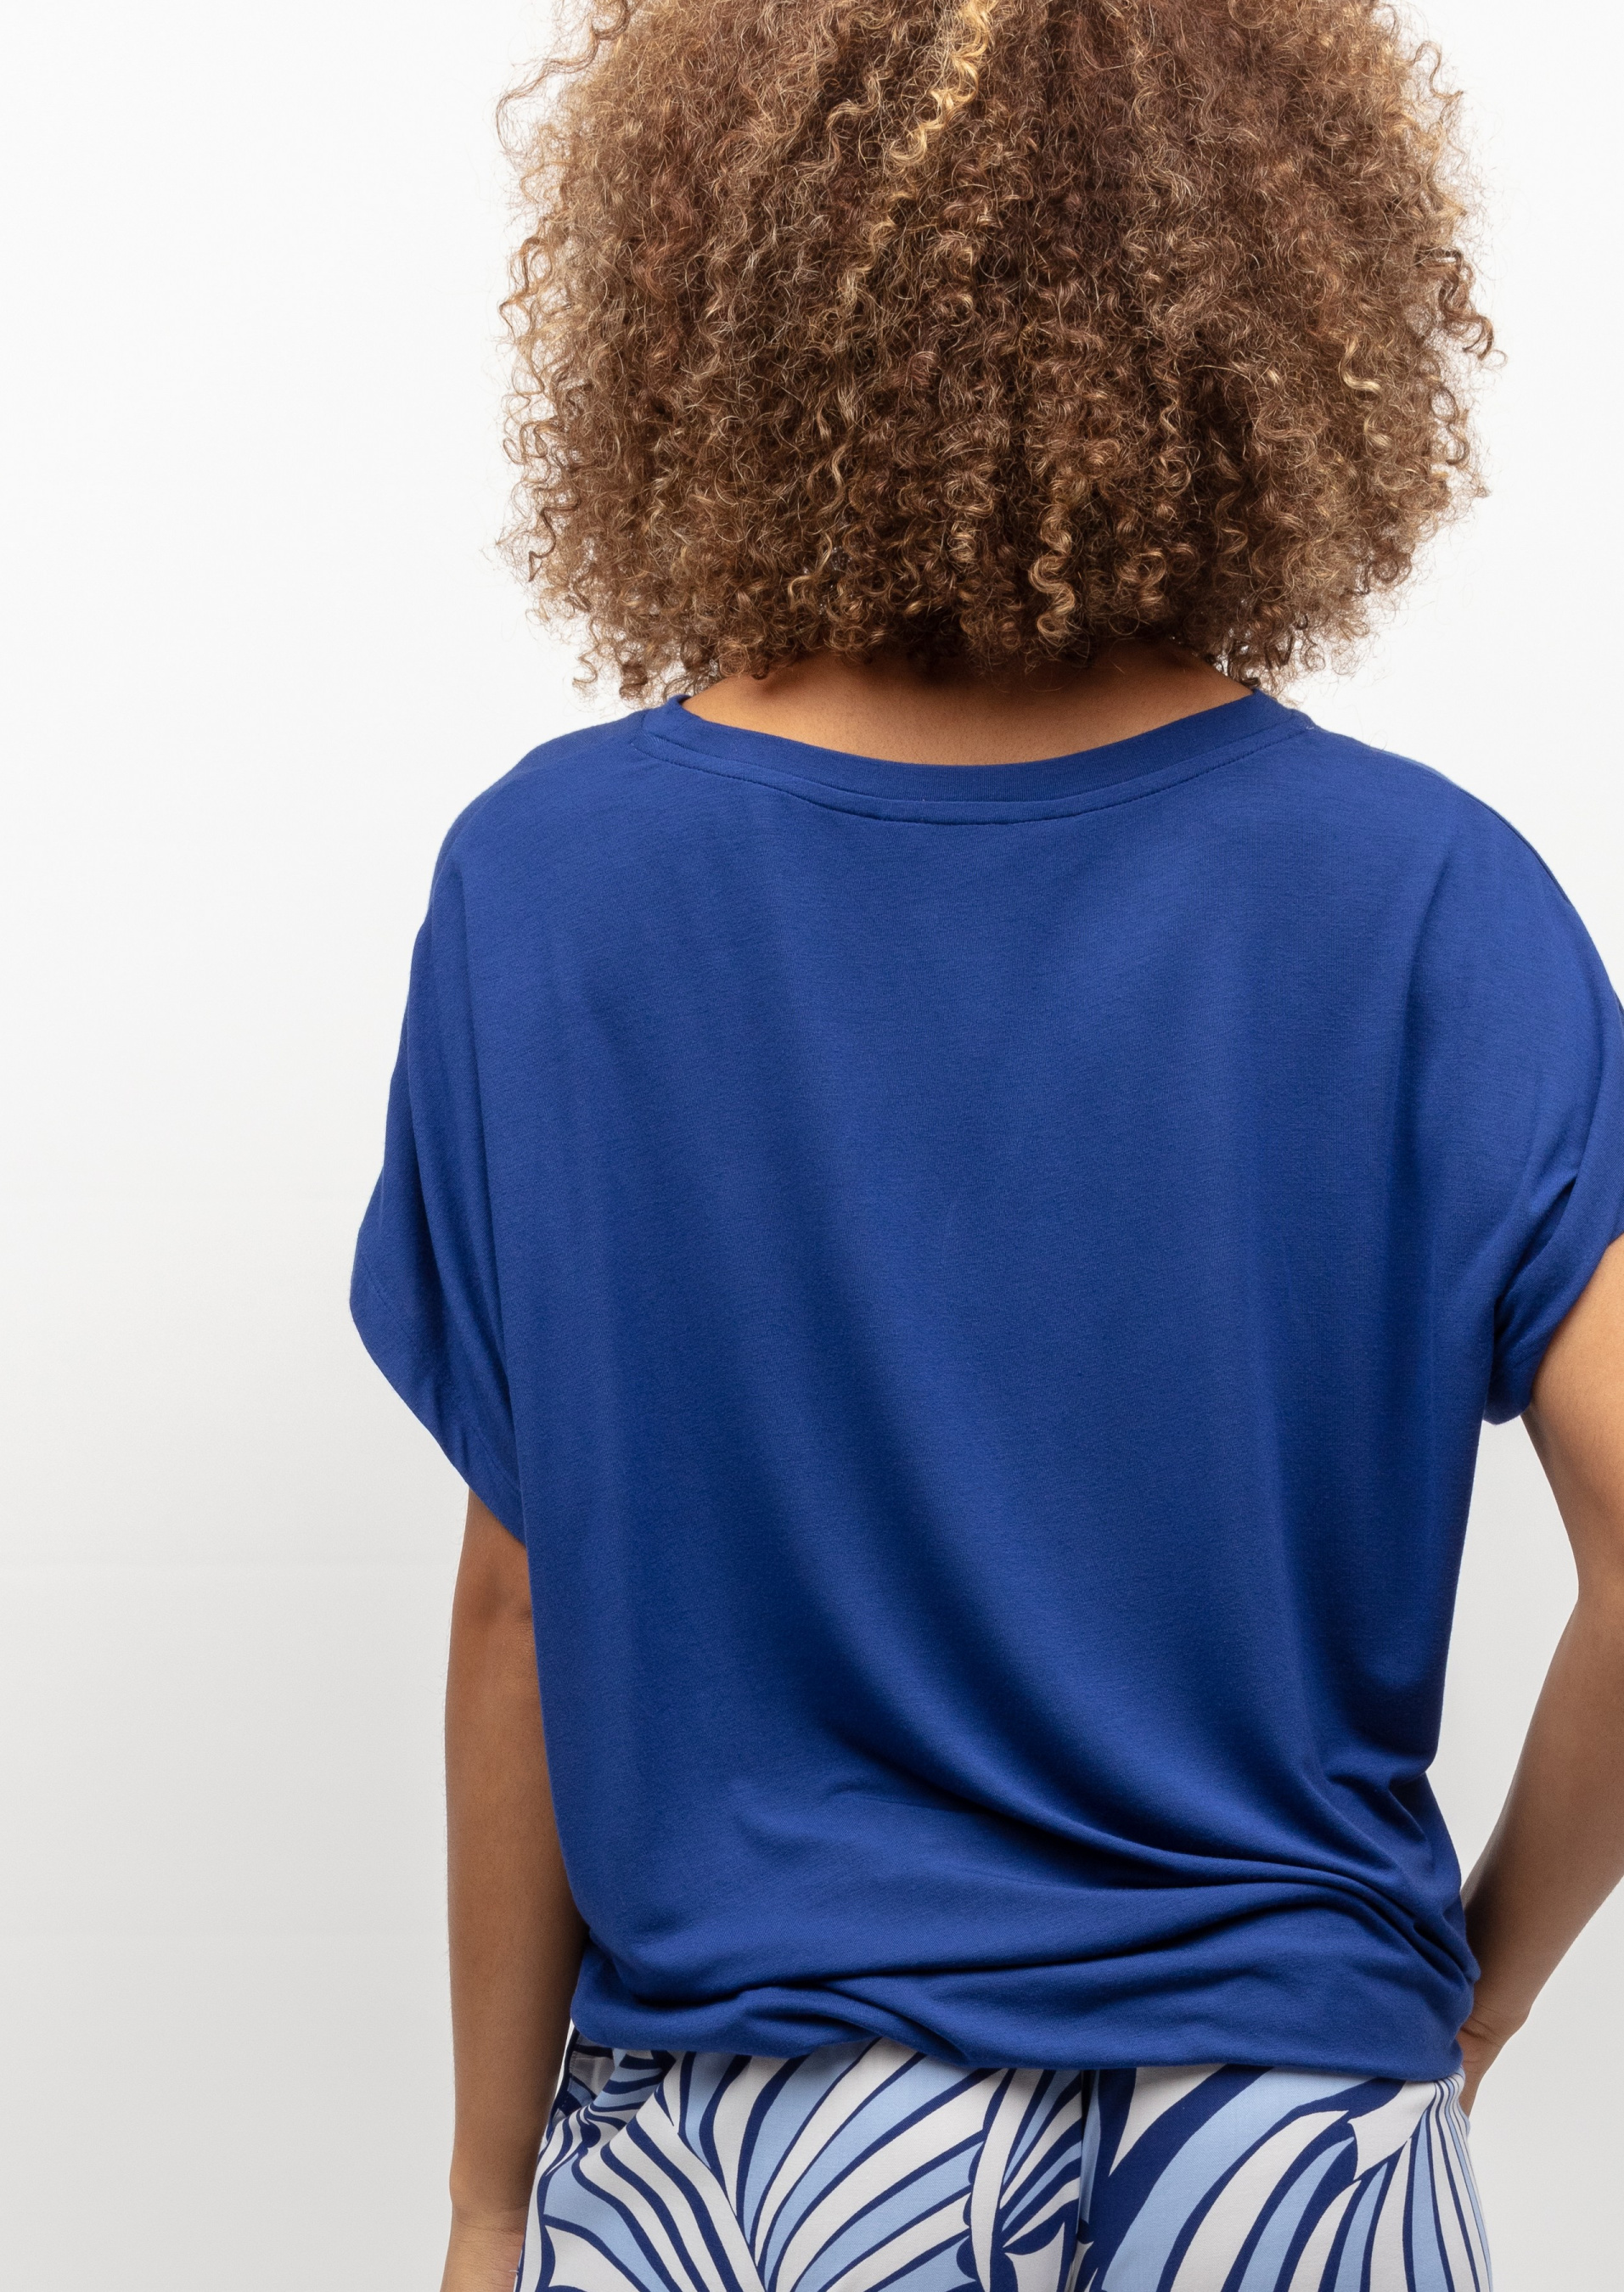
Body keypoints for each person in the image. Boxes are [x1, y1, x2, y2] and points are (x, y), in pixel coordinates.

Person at [351, 3, 1624, 2286]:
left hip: (752, 2143)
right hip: (1284, 2128)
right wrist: (1476, 1980)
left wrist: (479, 2195)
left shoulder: (550, 889)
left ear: (706, 297)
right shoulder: (1430, 899)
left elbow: (519, 1601)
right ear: (1277, 305)